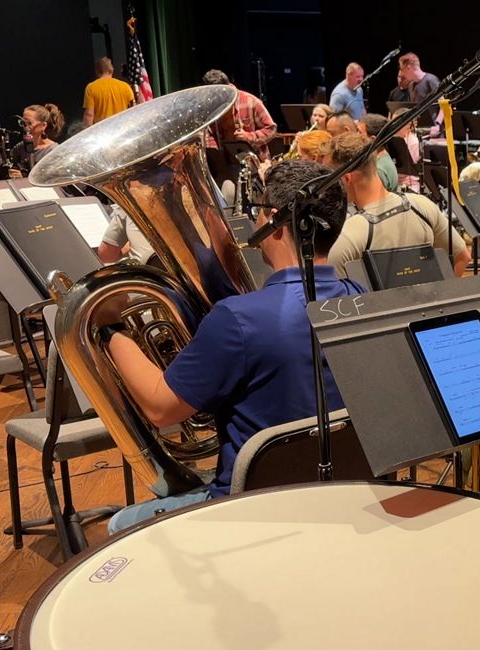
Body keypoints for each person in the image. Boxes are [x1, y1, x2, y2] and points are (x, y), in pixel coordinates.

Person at [104, 159, 365, 532]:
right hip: (342, 491)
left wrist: (111, 328)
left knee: (119, 525)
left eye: (257, 213)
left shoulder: (239, 319)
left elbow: (161, 408)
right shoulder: (360, 297)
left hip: (249, 505)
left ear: (273, 221)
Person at [326, 132, 469, 278]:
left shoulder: (347, 234)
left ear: (347, 178)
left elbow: (334, 297)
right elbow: (462, 257)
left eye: (329, 177)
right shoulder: (422, 205)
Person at [202, 69, 278, 161]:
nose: (217, 99)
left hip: (255, 161)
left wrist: (249, 137)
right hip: (226, 163)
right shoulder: (211, 105)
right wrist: (216, 155)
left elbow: (271, 129)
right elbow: (209, 133)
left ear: (229, 86)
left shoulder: (252, 102)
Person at [8, 104, 65, 176]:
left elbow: (53, 179)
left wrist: (23, 179)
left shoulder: (54, 151)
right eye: (23, 123)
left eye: (29, 123)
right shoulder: (20, 147)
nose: (25, 128)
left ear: (43, 126)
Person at [82, 57, 135, 127]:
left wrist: (85, 132)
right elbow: (134, 110)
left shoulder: (91, 88)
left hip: (102, 132)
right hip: (122, 129)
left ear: (97, 71)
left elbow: (89, 115)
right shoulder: (125, 86)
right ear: (112, 70)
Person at [360, 113, 399, 191]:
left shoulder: (379, 170)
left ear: (372, 140)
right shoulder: (379, 157)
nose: (355, 135)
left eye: (359, 132)